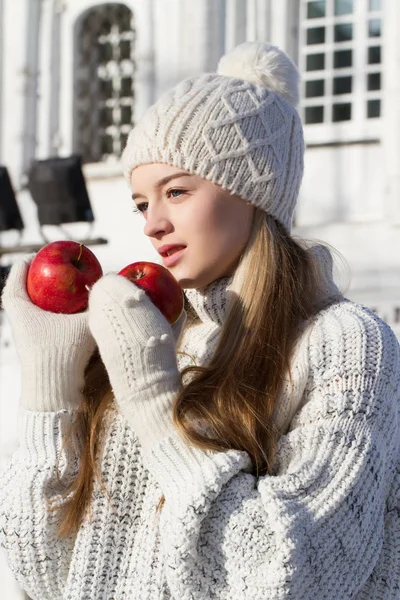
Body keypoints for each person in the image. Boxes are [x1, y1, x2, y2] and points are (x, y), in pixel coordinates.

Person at [1, 41, 399, 600]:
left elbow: (299, 573)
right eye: (142, 203)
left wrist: (157, 407)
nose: (152, 225)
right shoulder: (151, 336)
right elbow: (45, 575)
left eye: (177, 191)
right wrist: (50, 385)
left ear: (253, 192)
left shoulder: (344, 341)